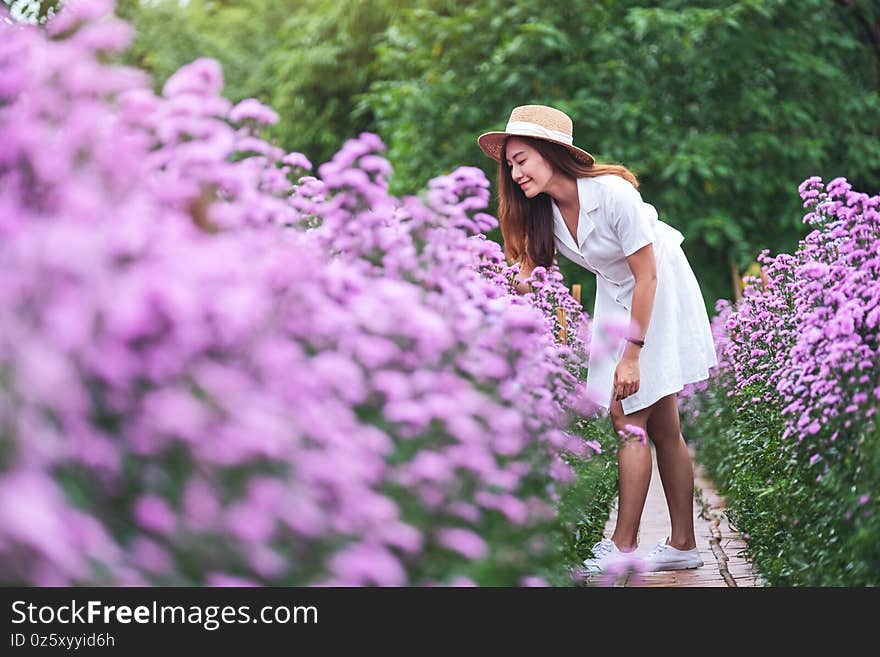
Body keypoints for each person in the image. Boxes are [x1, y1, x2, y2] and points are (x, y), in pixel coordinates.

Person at [477, 105, 718, 574]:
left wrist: (631, 356)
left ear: (551, 153)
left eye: (522, 158)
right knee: (663, 423)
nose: (515, 171)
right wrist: (505, 284)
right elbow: (529, 271)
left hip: (657, 285)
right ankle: (684, 543)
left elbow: (646, 276)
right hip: (616, 291)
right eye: (509, 163)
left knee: (627, 413)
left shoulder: (611, 194)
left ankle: (623, 548)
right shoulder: (543, 212)